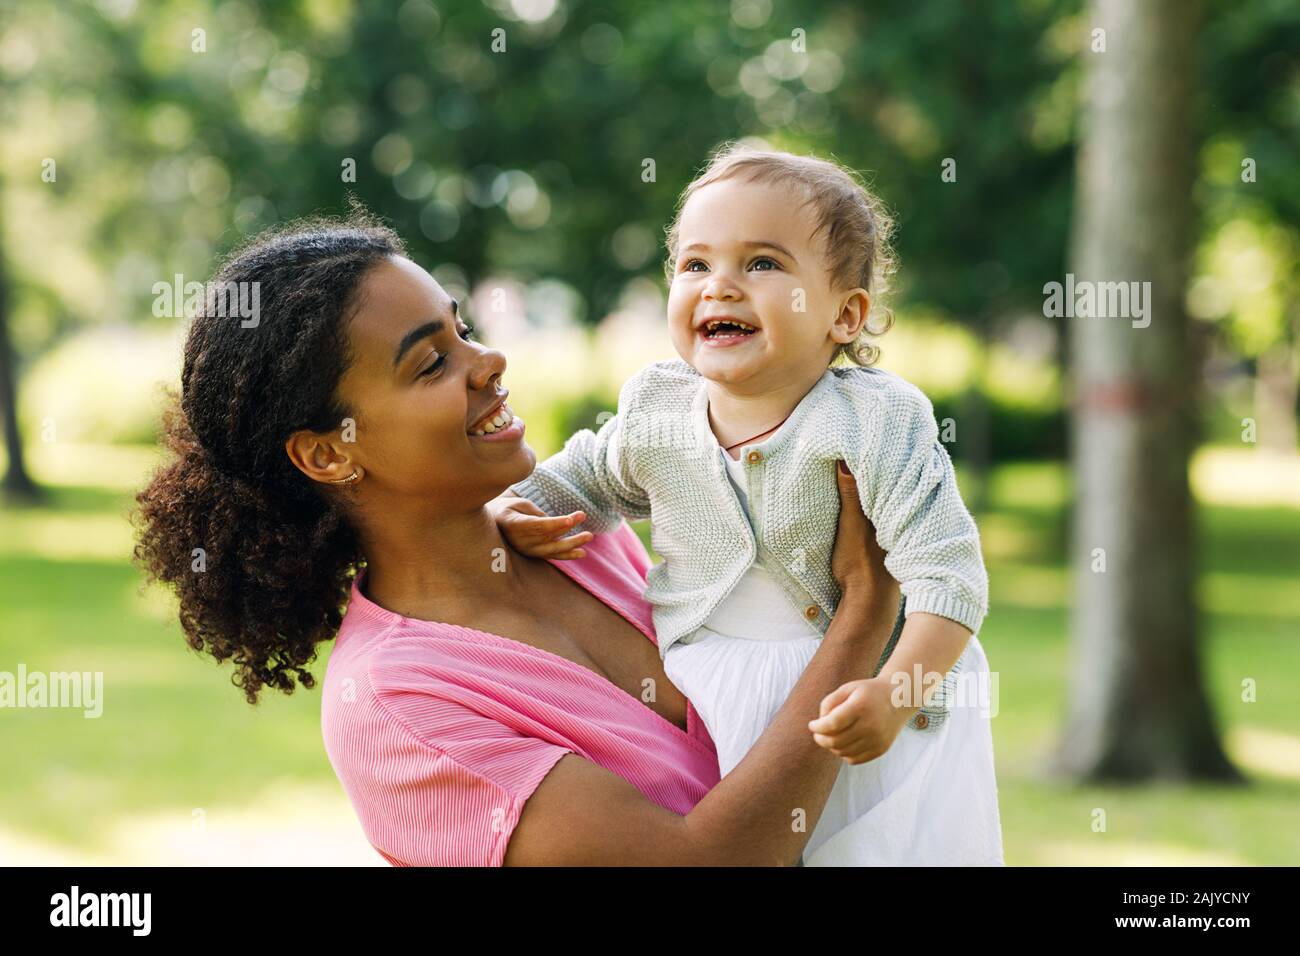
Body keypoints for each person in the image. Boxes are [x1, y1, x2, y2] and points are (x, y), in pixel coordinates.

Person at [132, 208, 902, 866]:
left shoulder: (571, 534)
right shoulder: (395, 705)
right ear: (329, 451)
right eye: (432, 362)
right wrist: (865, 613)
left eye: (460, 328)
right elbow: (701, 860)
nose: (489, 361)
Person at [495, 146, 1004, 865]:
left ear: (845, 314)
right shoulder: (658, 405)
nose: (721, 287)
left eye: (762, 264)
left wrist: (897, 691)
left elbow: (948, 576)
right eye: (696, 265)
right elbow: (587, 476)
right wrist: (514, 508)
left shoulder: (874, 420)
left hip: (860, 695)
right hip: (713, 687)